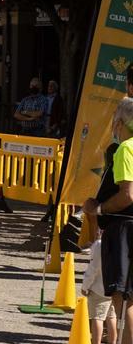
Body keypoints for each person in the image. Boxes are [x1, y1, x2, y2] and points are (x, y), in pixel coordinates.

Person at [84, 97, 133, 344]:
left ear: (121, 122)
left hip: (123, 228)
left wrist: (99, 209)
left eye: (115, 118)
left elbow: (127, 194)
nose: (113, 123)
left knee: (123, 299)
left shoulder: (126, 148)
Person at [80, 235, 118, 344]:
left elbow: (93, 268)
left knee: (97, 318)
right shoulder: (121, 242)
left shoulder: (100, 244)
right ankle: (113, 341)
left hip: (99, 288)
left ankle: (96, 342)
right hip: (115, 288)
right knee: (112, 317)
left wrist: (85, 286)